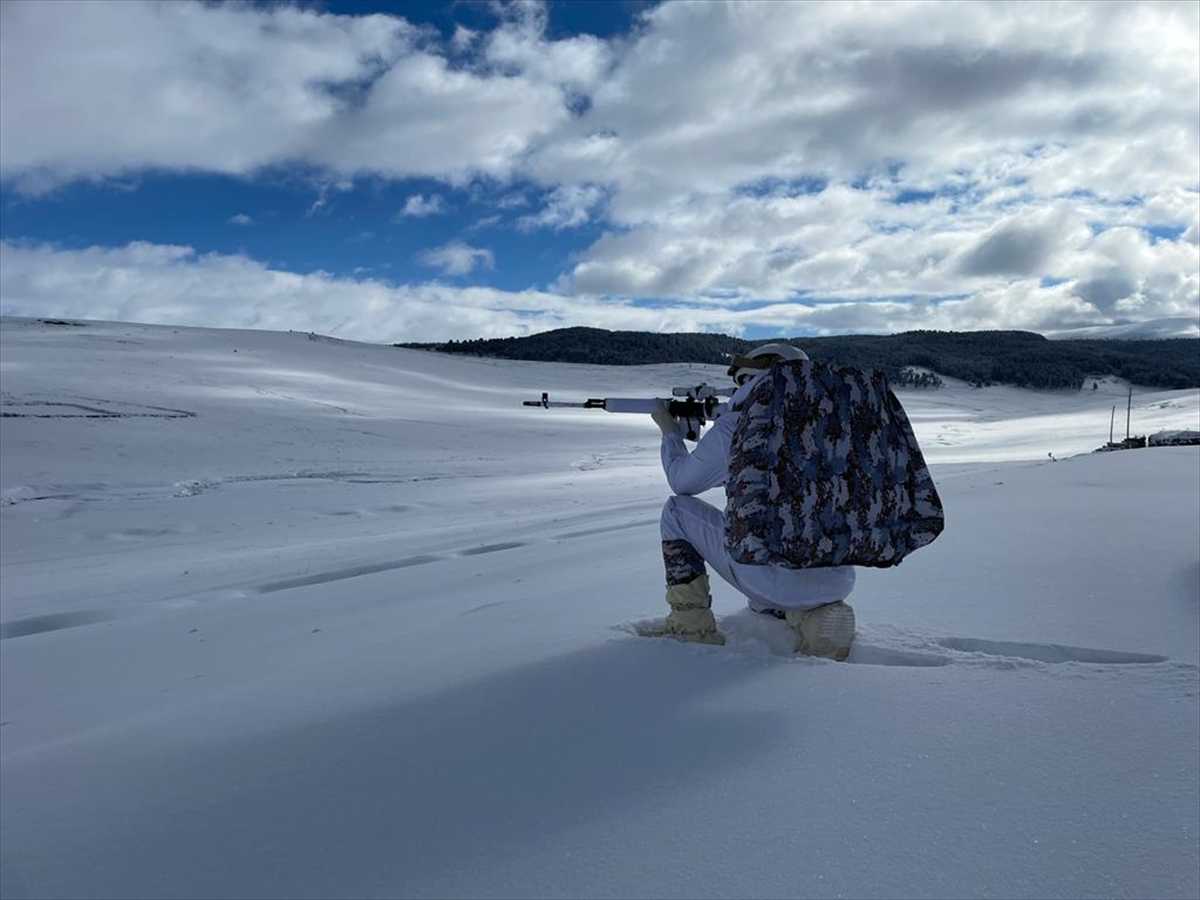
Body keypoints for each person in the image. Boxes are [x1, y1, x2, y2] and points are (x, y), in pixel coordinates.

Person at [650, 343, 857, 659]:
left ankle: (690, 627)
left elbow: (683, 482)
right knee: (766, 586)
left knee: (676, 512)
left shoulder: (739, 425)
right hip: (837, 577)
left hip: (771, 577)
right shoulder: (835, 423)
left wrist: (670, 433)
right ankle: (812, 617)